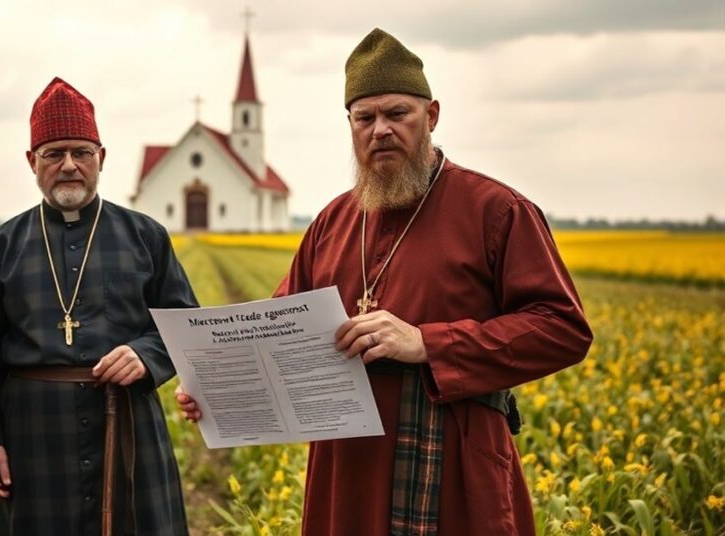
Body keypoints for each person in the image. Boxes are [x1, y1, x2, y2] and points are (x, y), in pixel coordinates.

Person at [176, 29, 593, 535]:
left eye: (398, 114)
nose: (381, 130)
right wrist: (220, 390)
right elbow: (278, 334)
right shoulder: (331, 222)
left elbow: (563, 329)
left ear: (431, 116)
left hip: (453, 463)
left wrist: (427, 342)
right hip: (346, 470)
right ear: (349, 124)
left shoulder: (497, 211)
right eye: (365, 117)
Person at [0, 77, 196, 535]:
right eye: (54, 153)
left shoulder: (144, 235)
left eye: (82, 152)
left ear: (102, 158)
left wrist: (145, 354)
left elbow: (184, 327)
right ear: (31, 161)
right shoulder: (2, 245)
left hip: (128, 421)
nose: (70, 165)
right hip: (34, 434)